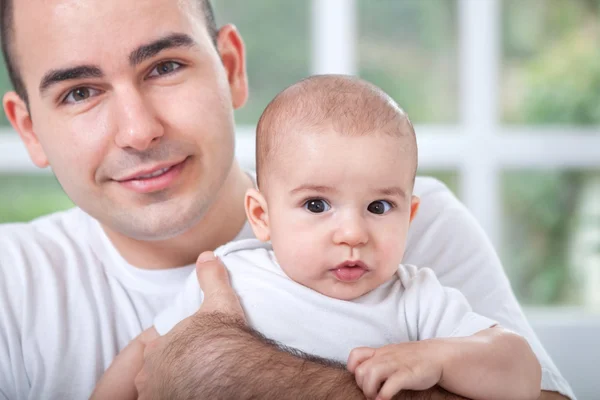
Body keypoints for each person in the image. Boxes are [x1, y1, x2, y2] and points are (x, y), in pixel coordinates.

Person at [0, 0, 574, 399]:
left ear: (230, 69)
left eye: (166, 66)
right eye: (80, 92)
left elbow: (522, 381)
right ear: (28, 129)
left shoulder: (415, 237)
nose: (138, 130)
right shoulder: (13, 285)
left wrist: (214, 368)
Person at [92, 74, 543, 400]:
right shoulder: (231, 273)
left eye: (379, 207)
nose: (352, 233)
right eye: (316, 205)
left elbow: (521, 373)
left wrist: (439, 358)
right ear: (261, 216)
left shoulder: (415, 300)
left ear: (410, 217)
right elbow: (143, 354)